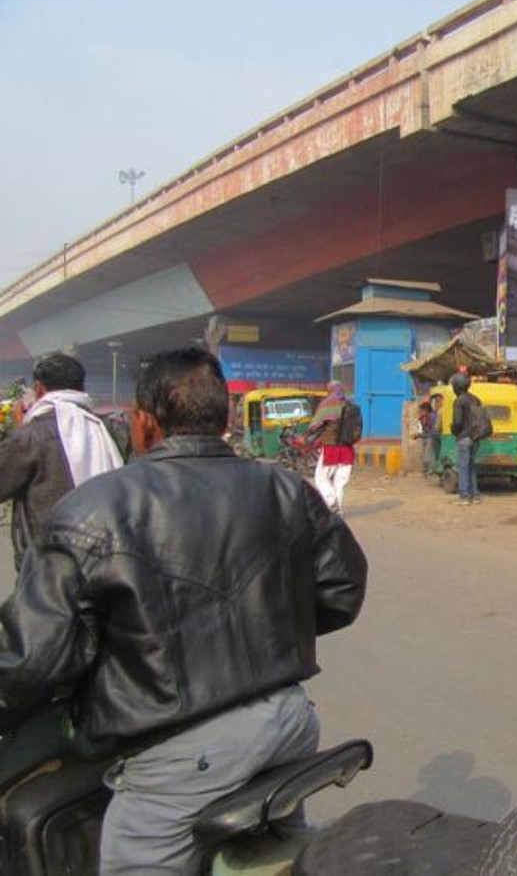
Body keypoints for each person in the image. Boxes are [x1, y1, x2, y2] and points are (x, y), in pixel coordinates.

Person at [0, 346, 368, 874]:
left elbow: (31, 659)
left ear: (144, 422)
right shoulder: (285, 488)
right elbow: (341, 592)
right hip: (288, 722)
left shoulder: (88, 511)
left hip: (179, 760)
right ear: (222, 418)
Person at [0, 351, 123, 566]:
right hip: (101, 559)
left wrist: (19, 431)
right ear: (82, 389)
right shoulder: (105, 430)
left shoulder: (29, 436)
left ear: (38, 388)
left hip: (45, 564)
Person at [307, 381, 355, 515]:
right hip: (348, 449)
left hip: (330, 448)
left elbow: (314, 426)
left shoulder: (327, 404)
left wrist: (308, 436)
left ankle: (331, 500)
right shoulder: (351, 405)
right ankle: (338, 511)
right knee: (340, 482)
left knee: (321, 477)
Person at [449, 371, 482, 505]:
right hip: (476, 437)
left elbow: (457, 423)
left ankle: (464, 496)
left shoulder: (459, 401)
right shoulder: (475, 399)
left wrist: (453, 430)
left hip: (464, 437)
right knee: (471, 466)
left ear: (457, 386)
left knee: (463, 467)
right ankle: (475, 496)